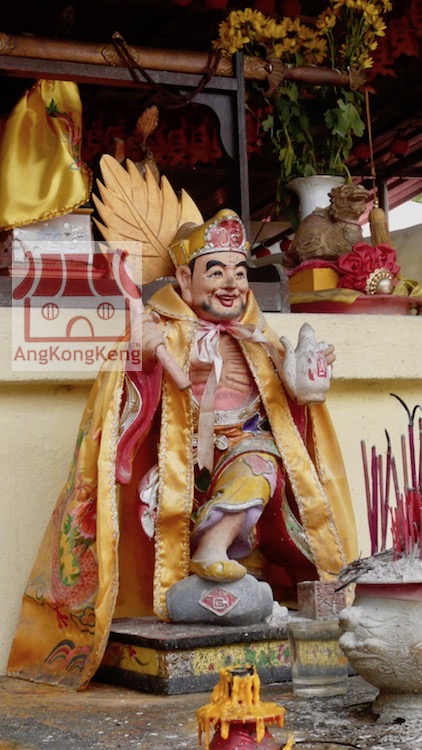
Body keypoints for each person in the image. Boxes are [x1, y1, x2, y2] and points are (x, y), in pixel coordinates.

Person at [8, 208, 358, 690]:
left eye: (240, 272)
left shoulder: (260, 337)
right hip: (179, 461)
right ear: (183, 279)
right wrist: (141, 361)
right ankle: (202, 573)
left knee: (260, 464)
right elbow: (118, 403)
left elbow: (294, 410)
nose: (231, 284)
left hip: (246, 446)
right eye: (215, 271)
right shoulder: (160, 328)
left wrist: (307, 380)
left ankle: (217, 549)